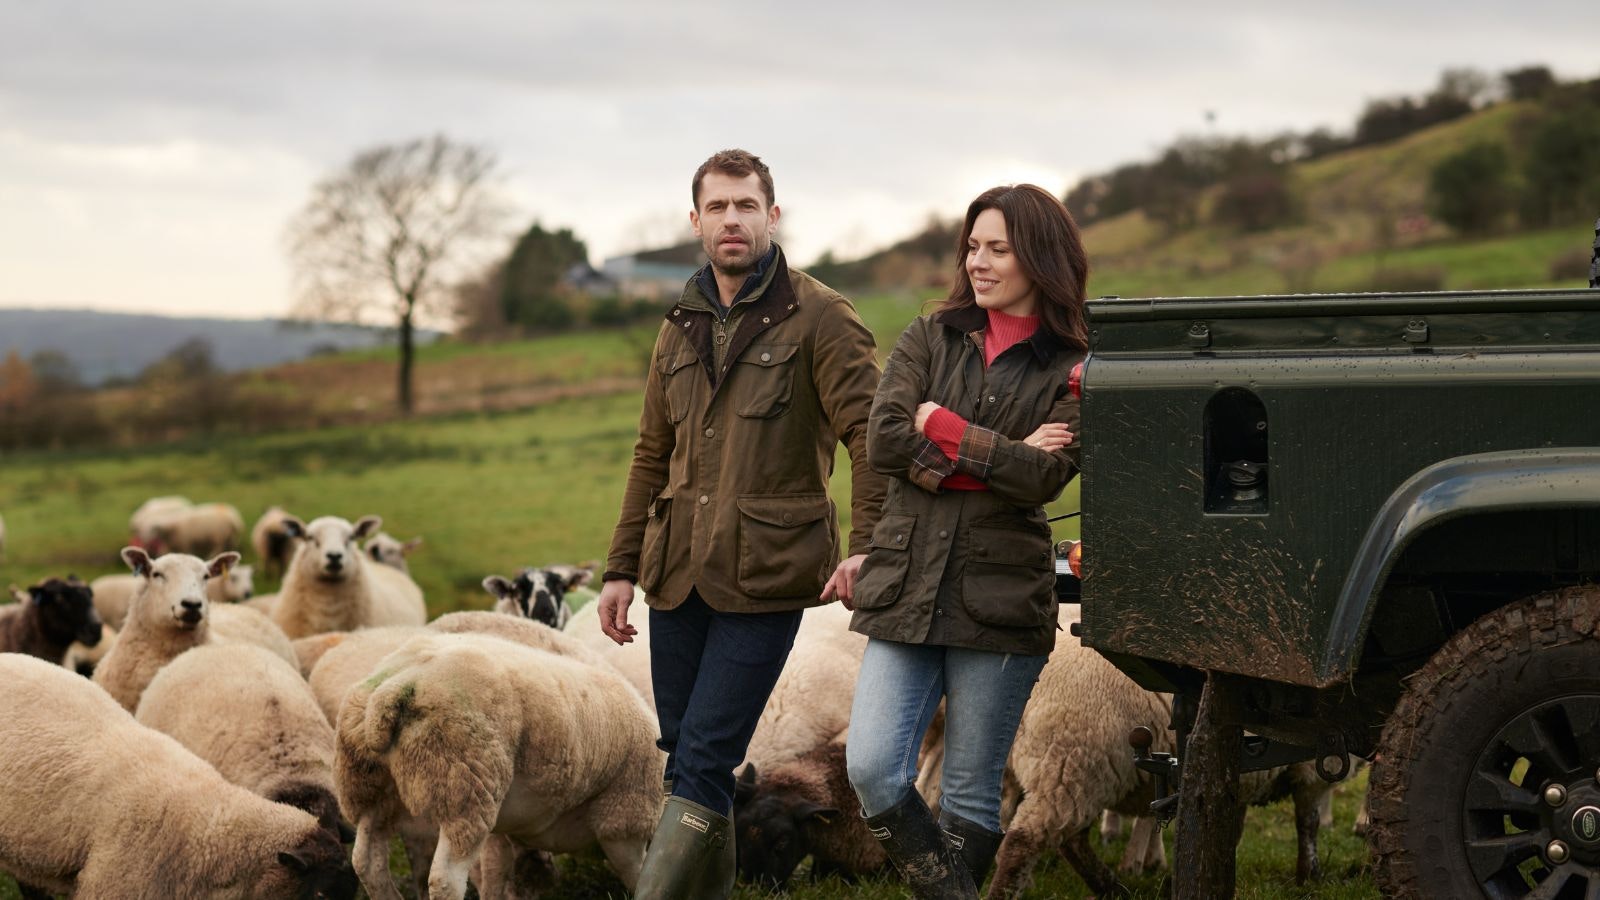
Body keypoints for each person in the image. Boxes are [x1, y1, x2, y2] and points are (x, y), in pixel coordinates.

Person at [594, 148, 887, 899]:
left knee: (704, 754)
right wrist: (621, 567)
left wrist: (869, 550)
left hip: (767, 575)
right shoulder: (678, 322)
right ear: (695, 222)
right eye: (718, 207)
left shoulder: (823, 317)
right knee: (686, 756)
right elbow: (650, 453)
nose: (732, 219)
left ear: (772, 215)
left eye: (746, 205)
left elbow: (873, 440)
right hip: (675, 574)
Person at [844, 183, 1089, 898]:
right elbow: (885, 440)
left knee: (971, 795)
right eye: (972, 247)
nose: (978, 263)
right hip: (905, 586)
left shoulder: (1073, 366)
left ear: (1039, 259)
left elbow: (1044, 476)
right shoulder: (930, 335)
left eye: (998, 250)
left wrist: (944, 428)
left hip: (1001, 599)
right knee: (872, 768)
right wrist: (997, 456)